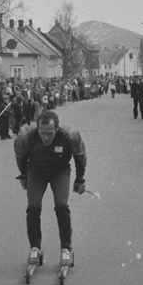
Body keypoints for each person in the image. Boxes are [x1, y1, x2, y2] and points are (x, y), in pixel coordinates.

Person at [15, 111, 87, 268]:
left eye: (50, 133)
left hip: (59, 171)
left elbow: (80, 156)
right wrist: (23, 175)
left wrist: (80, 178)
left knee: (61, 205)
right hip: (36, 171)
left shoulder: (70, 135)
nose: (46, 138)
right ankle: (35, 247)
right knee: (33, 206)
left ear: (57, 129)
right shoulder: (26, 136)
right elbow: (20, 155)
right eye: (42, 133)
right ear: (38, 129)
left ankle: (66, 249)